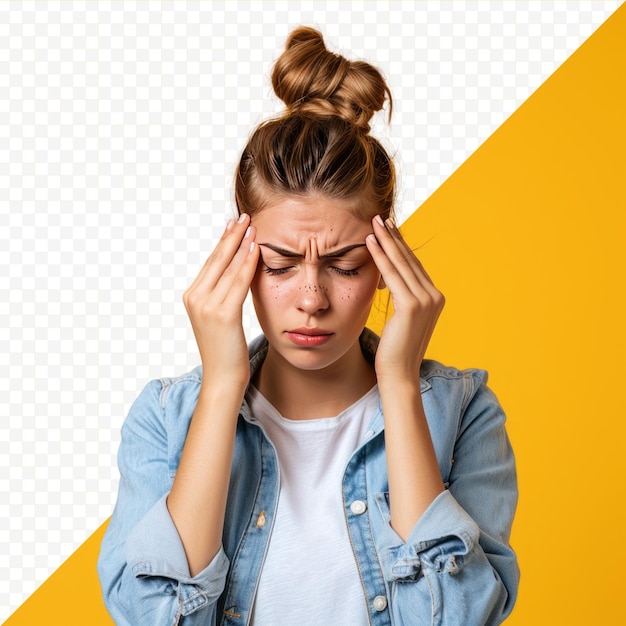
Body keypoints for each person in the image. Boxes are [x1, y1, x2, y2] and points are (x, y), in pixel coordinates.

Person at [97, 26, 519, 626]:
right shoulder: (165, 419)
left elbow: (456, 617)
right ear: (240, 261)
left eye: (345, 265)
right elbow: (153, 617)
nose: (312, 298)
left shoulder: (465, 412)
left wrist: (398, 384)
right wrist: (222, 386)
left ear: (384, 262)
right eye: (279, 265)